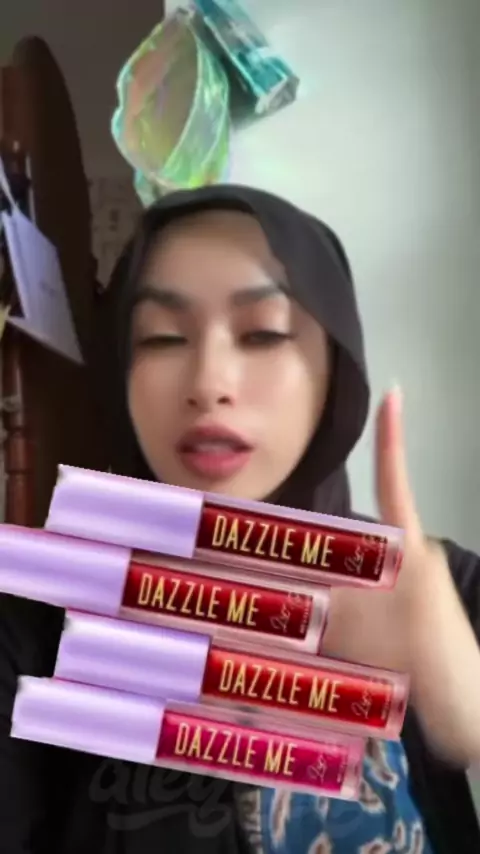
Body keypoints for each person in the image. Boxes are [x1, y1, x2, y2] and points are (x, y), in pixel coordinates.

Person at [0, 185, 479, 854]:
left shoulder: (438, 594)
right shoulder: (38, 618)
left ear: (334, 368)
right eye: (163, 338)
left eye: (263, 333)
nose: (209, 381)